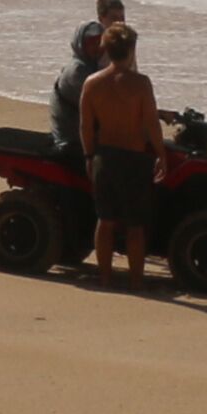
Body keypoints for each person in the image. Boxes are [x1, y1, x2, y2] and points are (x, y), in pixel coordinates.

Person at [73, 21, 168, 280]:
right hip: (135, 158)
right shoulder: (140, 84)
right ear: (132, 50)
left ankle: (105, 276)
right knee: (135, 226)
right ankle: (136, 280)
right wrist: (161, 154)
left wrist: (89, 155)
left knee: (105, 221)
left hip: (105, 155)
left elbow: (86, 126)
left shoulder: (92, 83)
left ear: (106, 49)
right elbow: (150, 124)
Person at [49, 0, 131, 156]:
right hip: (72, 139)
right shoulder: (78, 71)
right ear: (79, 44)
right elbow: (104, 104)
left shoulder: (95, 63)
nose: (95, 47)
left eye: (98, 41)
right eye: (90, 42)